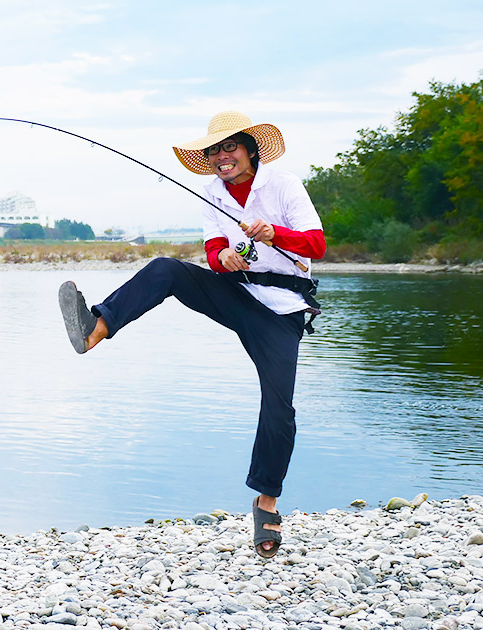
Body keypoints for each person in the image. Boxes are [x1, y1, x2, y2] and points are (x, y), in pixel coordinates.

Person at [57, 111, 326, 558]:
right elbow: (213, 252)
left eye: (230, 147)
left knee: (279, 407)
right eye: (214, 151)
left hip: (281, 311)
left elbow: (316, 245)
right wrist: (227, 261)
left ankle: (266, 503)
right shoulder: (210, 193)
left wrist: (274, 233)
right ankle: (96, 328)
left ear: (250, 148)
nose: (222, 157)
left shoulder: (284, 185)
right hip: (238, 294)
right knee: (166, 270)